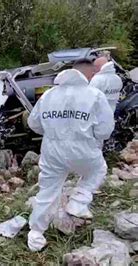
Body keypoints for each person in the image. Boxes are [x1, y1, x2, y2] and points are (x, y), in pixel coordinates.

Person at [26, 59, 115, 251]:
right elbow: (105, 131)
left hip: (52, 150)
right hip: (83, 149)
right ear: (90, 74)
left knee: (47, 191)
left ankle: (35, 234)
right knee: (97, 170)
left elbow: (34, 124)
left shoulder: (48, 94)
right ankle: (78, 201)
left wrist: (53, 132)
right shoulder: (95, 95)